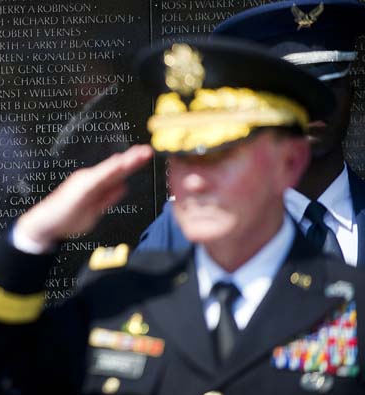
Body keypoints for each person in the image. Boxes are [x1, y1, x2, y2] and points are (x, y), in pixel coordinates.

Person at [0, 39, 365, 395]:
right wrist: (34, 235)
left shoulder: (349, 303)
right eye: (180, 156)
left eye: (219, 154)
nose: (192, 181)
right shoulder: (120, 297)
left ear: (288, 161)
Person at [136, 0, 365, 268]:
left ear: (352, 93)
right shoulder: (180, 234)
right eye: (290, 96)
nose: (311, 108)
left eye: (328, 87)